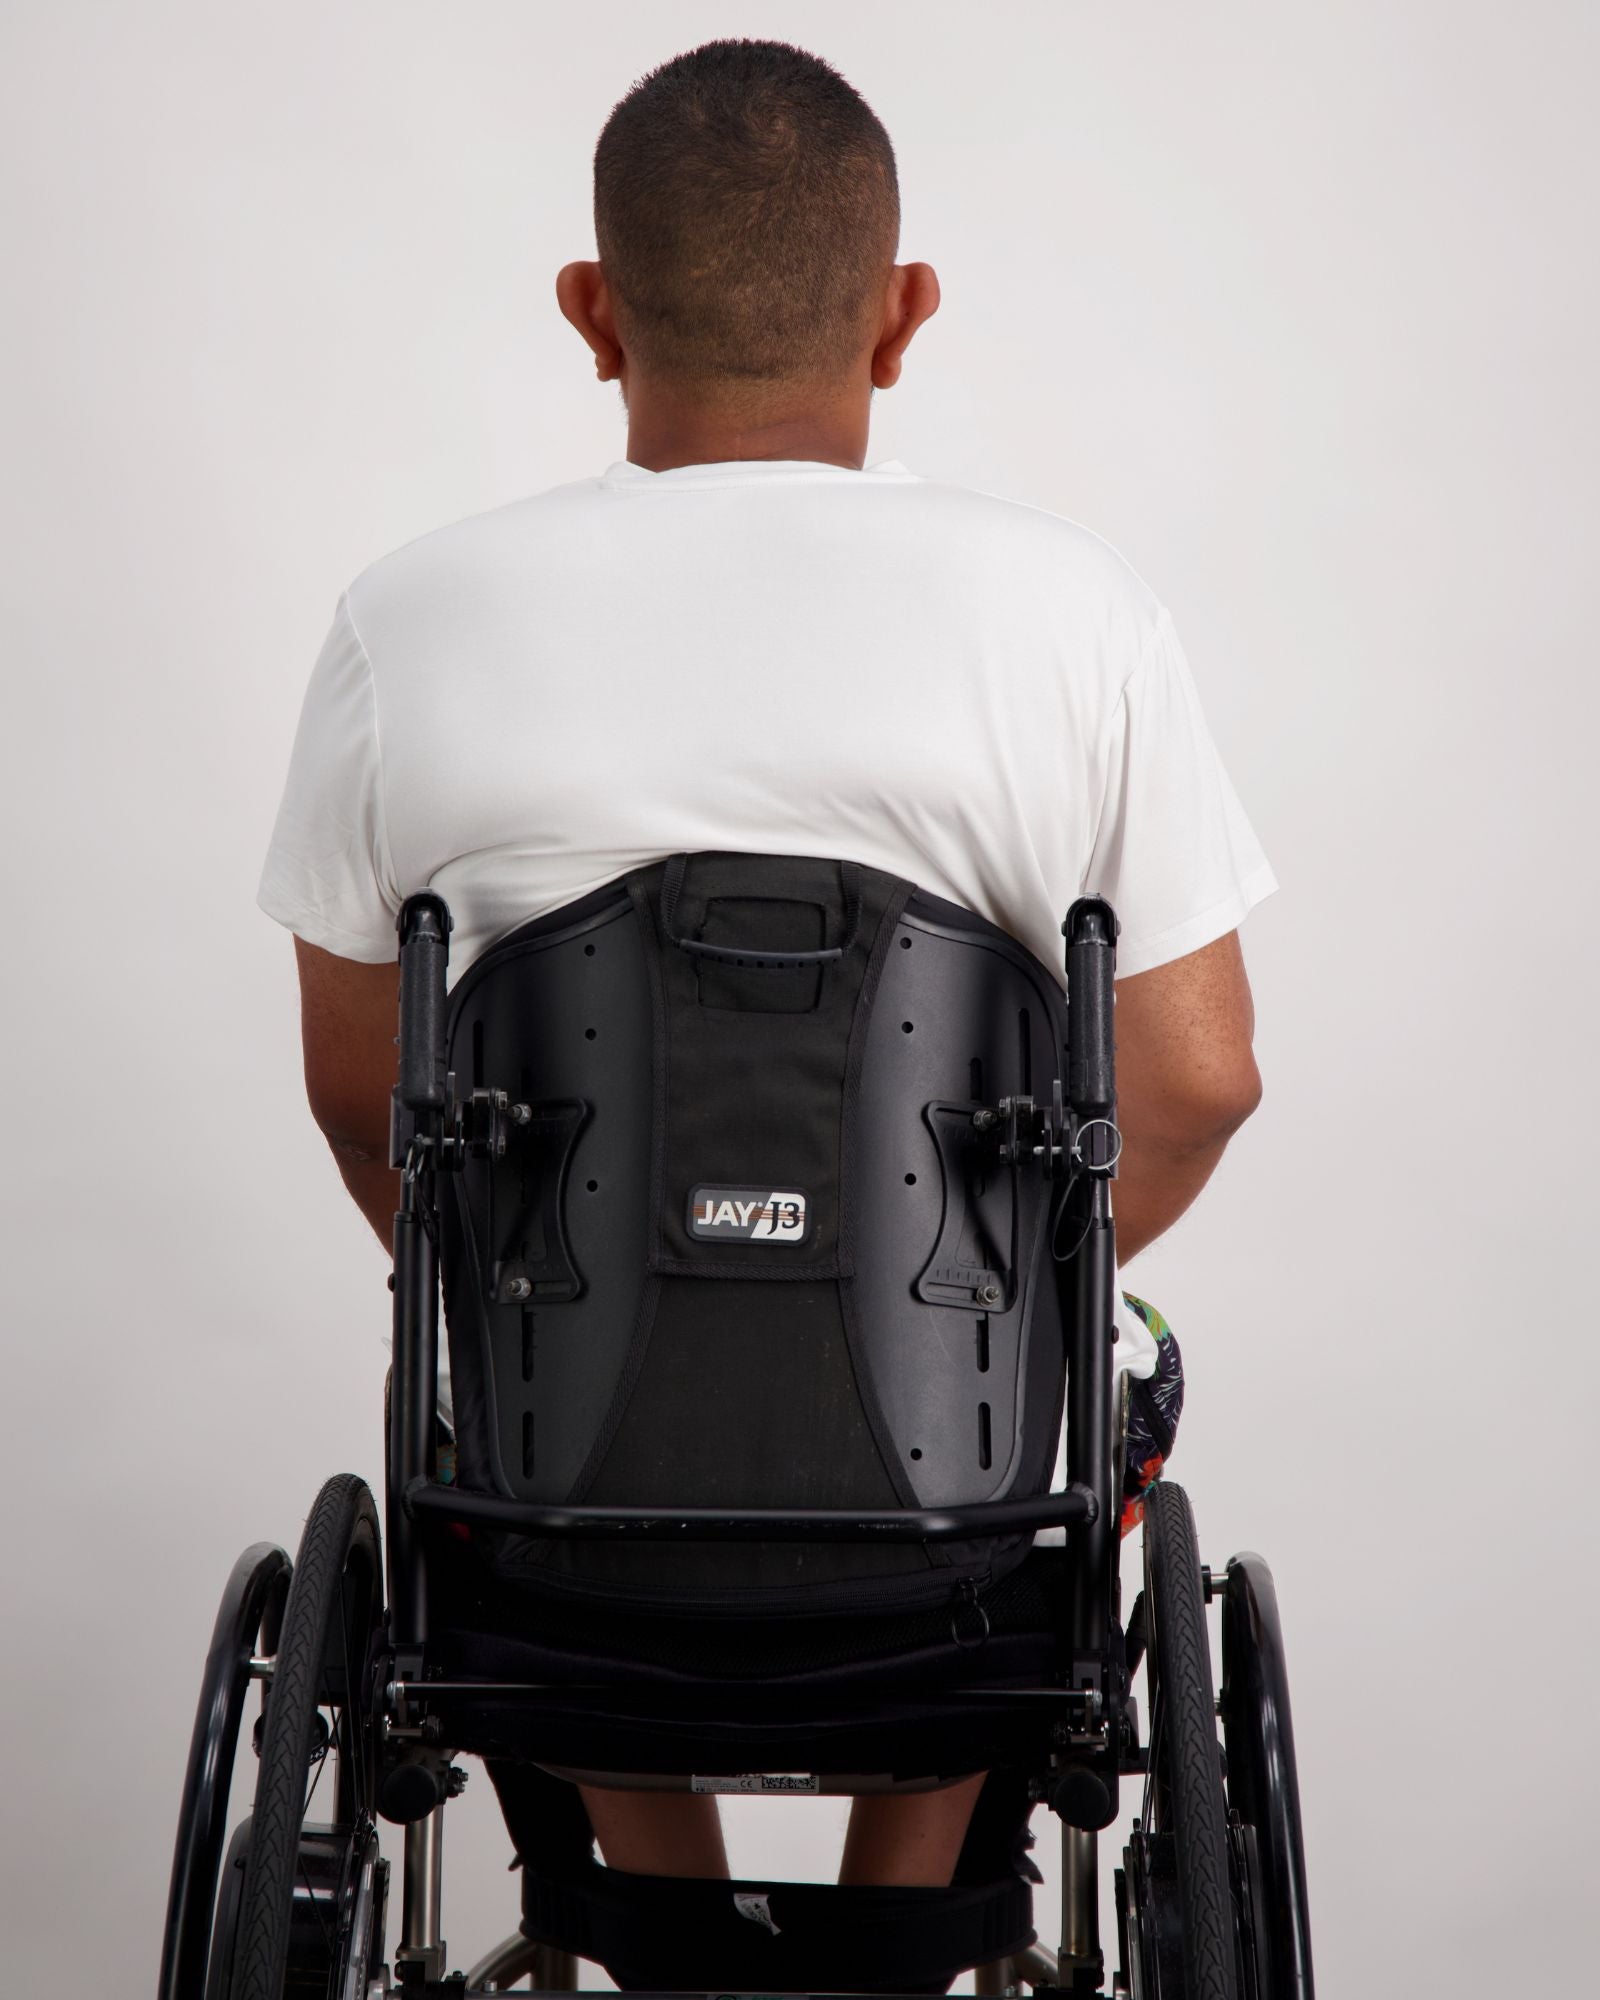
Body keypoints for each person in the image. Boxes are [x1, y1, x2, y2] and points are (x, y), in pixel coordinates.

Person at [257, 38, 1273, 1902]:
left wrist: (527, 1292)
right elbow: (1197, 1081)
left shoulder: (408, 624)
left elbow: (359, 1094)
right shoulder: (1075, 618)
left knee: (502, 1394)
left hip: (558, 1527)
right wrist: (993, 1285)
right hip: (964, 1529)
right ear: (903, 318)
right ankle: (913, 1886)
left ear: (590, 310)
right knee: (1076, 1391)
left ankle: (650, 1882)